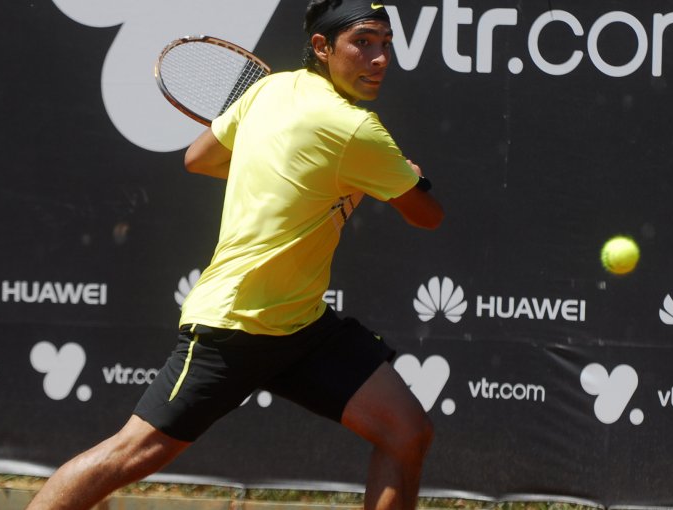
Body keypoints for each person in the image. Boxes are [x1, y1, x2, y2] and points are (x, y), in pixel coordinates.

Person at [26, 1, 444, 508]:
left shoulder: (269, 89)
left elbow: (198, 158)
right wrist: (411, 175)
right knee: (130, 454)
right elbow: (427, 215)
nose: (378, 58)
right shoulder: (356, 129)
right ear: (322, 48)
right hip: (236, 325)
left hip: (300, 325)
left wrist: (291, 174)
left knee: (406, 431)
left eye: (385, 44)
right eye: (363, 42)